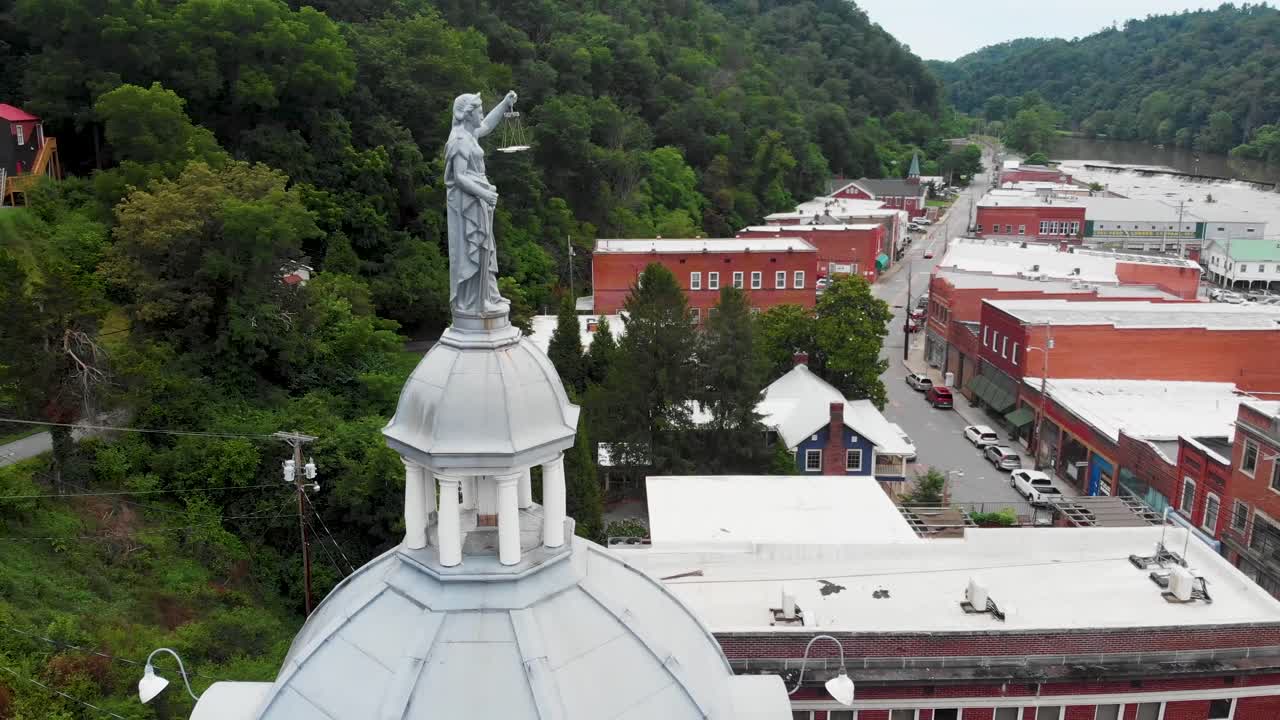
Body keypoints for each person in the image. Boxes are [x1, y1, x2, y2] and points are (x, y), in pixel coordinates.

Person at [444, 90, 518, 317]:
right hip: (468, 203)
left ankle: (489, 294)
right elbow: (459, 177)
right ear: (467, 114)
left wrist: (505, 104)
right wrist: (484, 194)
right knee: (474, 248)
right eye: (479, 110)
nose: (482, 114)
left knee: (486, 247)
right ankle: (475, 301)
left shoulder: (470, 134)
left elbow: (487, 124)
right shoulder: (459, 140)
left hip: (477, 200)